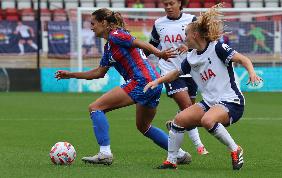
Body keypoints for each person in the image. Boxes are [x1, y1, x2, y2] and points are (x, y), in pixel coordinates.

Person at [55, 8, 191, 165]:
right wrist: (70, 74)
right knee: (143, 126)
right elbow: (99, 73)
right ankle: (179, 154)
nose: (91, 27)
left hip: (142, 81)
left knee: (96, 108)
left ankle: (105, 153)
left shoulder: (116, 35)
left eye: (93, 23)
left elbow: (139, 42)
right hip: (152, 82)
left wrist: (159, 53)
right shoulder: (108, 47)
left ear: (104, 23)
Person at [144, 4, 263, 170]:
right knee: (179, 121)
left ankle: (235, 149)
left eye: (186, 35)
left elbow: (244, 59)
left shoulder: (218, 47)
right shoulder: (191, 57)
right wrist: (156, 81)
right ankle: (171, 161)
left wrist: (251, 73)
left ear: (195, 34)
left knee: (207, 120)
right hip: (209, 103)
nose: (184, 38)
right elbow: (176, 73)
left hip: (231, 102)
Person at [145, 0, 208, 155]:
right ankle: (199, 146)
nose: (167, 6)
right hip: (170, 71)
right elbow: (151, 45)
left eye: (171, 3)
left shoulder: (192, 20)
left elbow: (203, 42)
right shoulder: (159, 23)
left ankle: (175, 125)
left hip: (191, 69)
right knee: (187, 107)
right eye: (165, 4)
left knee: (190, 112)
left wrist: (189, 46)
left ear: (180, 3)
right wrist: (139, 60)